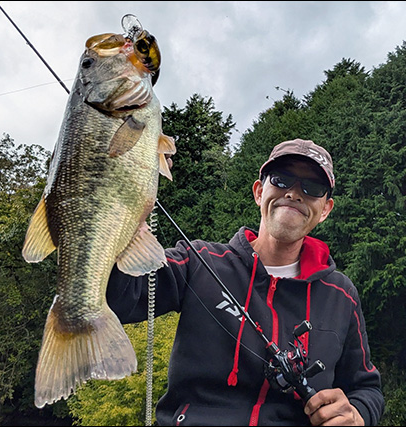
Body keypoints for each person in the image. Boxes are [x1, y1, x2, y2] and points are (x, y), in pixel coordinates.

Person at [107, 138, 385, 426]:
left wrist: (357, 414)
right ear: (259, 191)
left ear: (325, 209)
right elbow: (119, 299)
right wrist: (122, 206)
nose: (293, 193)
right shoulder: (198, 260)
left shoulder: (342, 295)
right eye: (281, 179)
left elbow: (366, 388)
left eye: (312, 188)